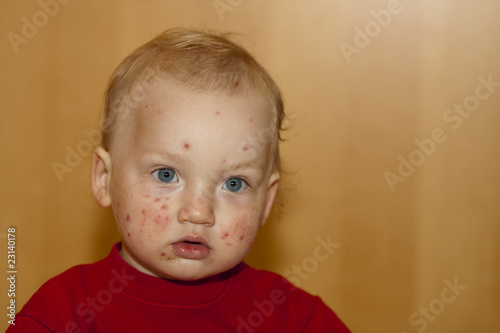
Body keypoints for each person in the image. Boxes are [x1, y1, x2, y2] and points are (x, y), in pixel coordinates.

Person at [8, 28, 350, 332]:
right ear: (104, 178)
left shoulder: (295, 318)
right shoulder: (59, 315)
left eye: (234, 183)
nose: (199, 213)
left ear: (266, 200)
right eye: (166, 174)